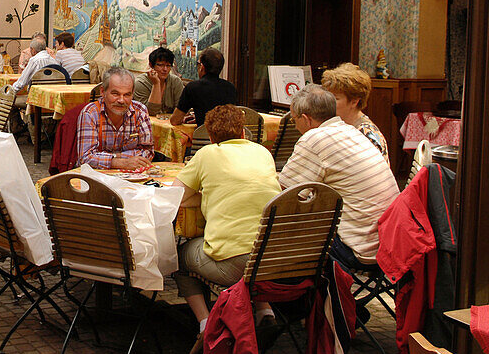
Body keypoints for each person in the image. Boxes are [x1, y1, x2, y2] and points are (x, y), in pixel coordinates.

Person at [171, 105, 281, 339]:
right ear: (243, 133)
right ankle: (265, 312)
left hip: (232, 264)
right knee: (252, 253)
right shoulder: (262, 153)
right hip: (270, 259)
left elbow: (175, 197)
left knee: (180, 258)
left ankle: (205, 324)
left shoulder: (207, 154)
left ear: (211, 137)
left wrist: (207, 194)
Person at [279, 84, 399, 266]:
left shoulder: (314, 138)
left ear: (306, 119)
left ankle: (297, 293)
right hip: (389, 241)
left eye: (294, 120)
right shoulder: (351, 131)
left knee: (285, 231)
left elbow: (286, 197)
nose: (295, 126)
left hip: (359, 246)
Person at [74, 67, 153, 169]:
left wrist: (106, 157)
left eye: (127, 95)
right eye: (115, 94)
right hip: (97, 176)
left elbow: (148, 152)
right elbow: (85, 158)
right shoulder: (90, 113)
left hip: (132, 176)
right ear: (103, 92)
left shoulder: (140, 111)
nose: (121, 100)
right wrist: (122, 162)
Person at [320, 62, 388, 159]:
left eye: (335, 98)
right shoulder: (339, 125)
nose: (328, 102)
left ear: (354, 101)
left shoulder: (366, 134)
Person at [171, 48, 238, 128]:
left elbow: (175, 120)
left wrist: (201, 119)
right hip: (225, 136)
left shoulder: (193, 88)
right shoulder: (230, 88)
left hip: (202, 138)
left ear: (202, 67)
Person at [134, 47, 185, 116]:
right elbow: (150, 112)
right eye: (161, 65)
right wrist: (156, 83)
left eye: (168, 66)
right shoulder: (140, 83)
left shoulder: (176, 81)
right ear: (151, 65)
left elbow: (181, 110)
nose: (165, 69)